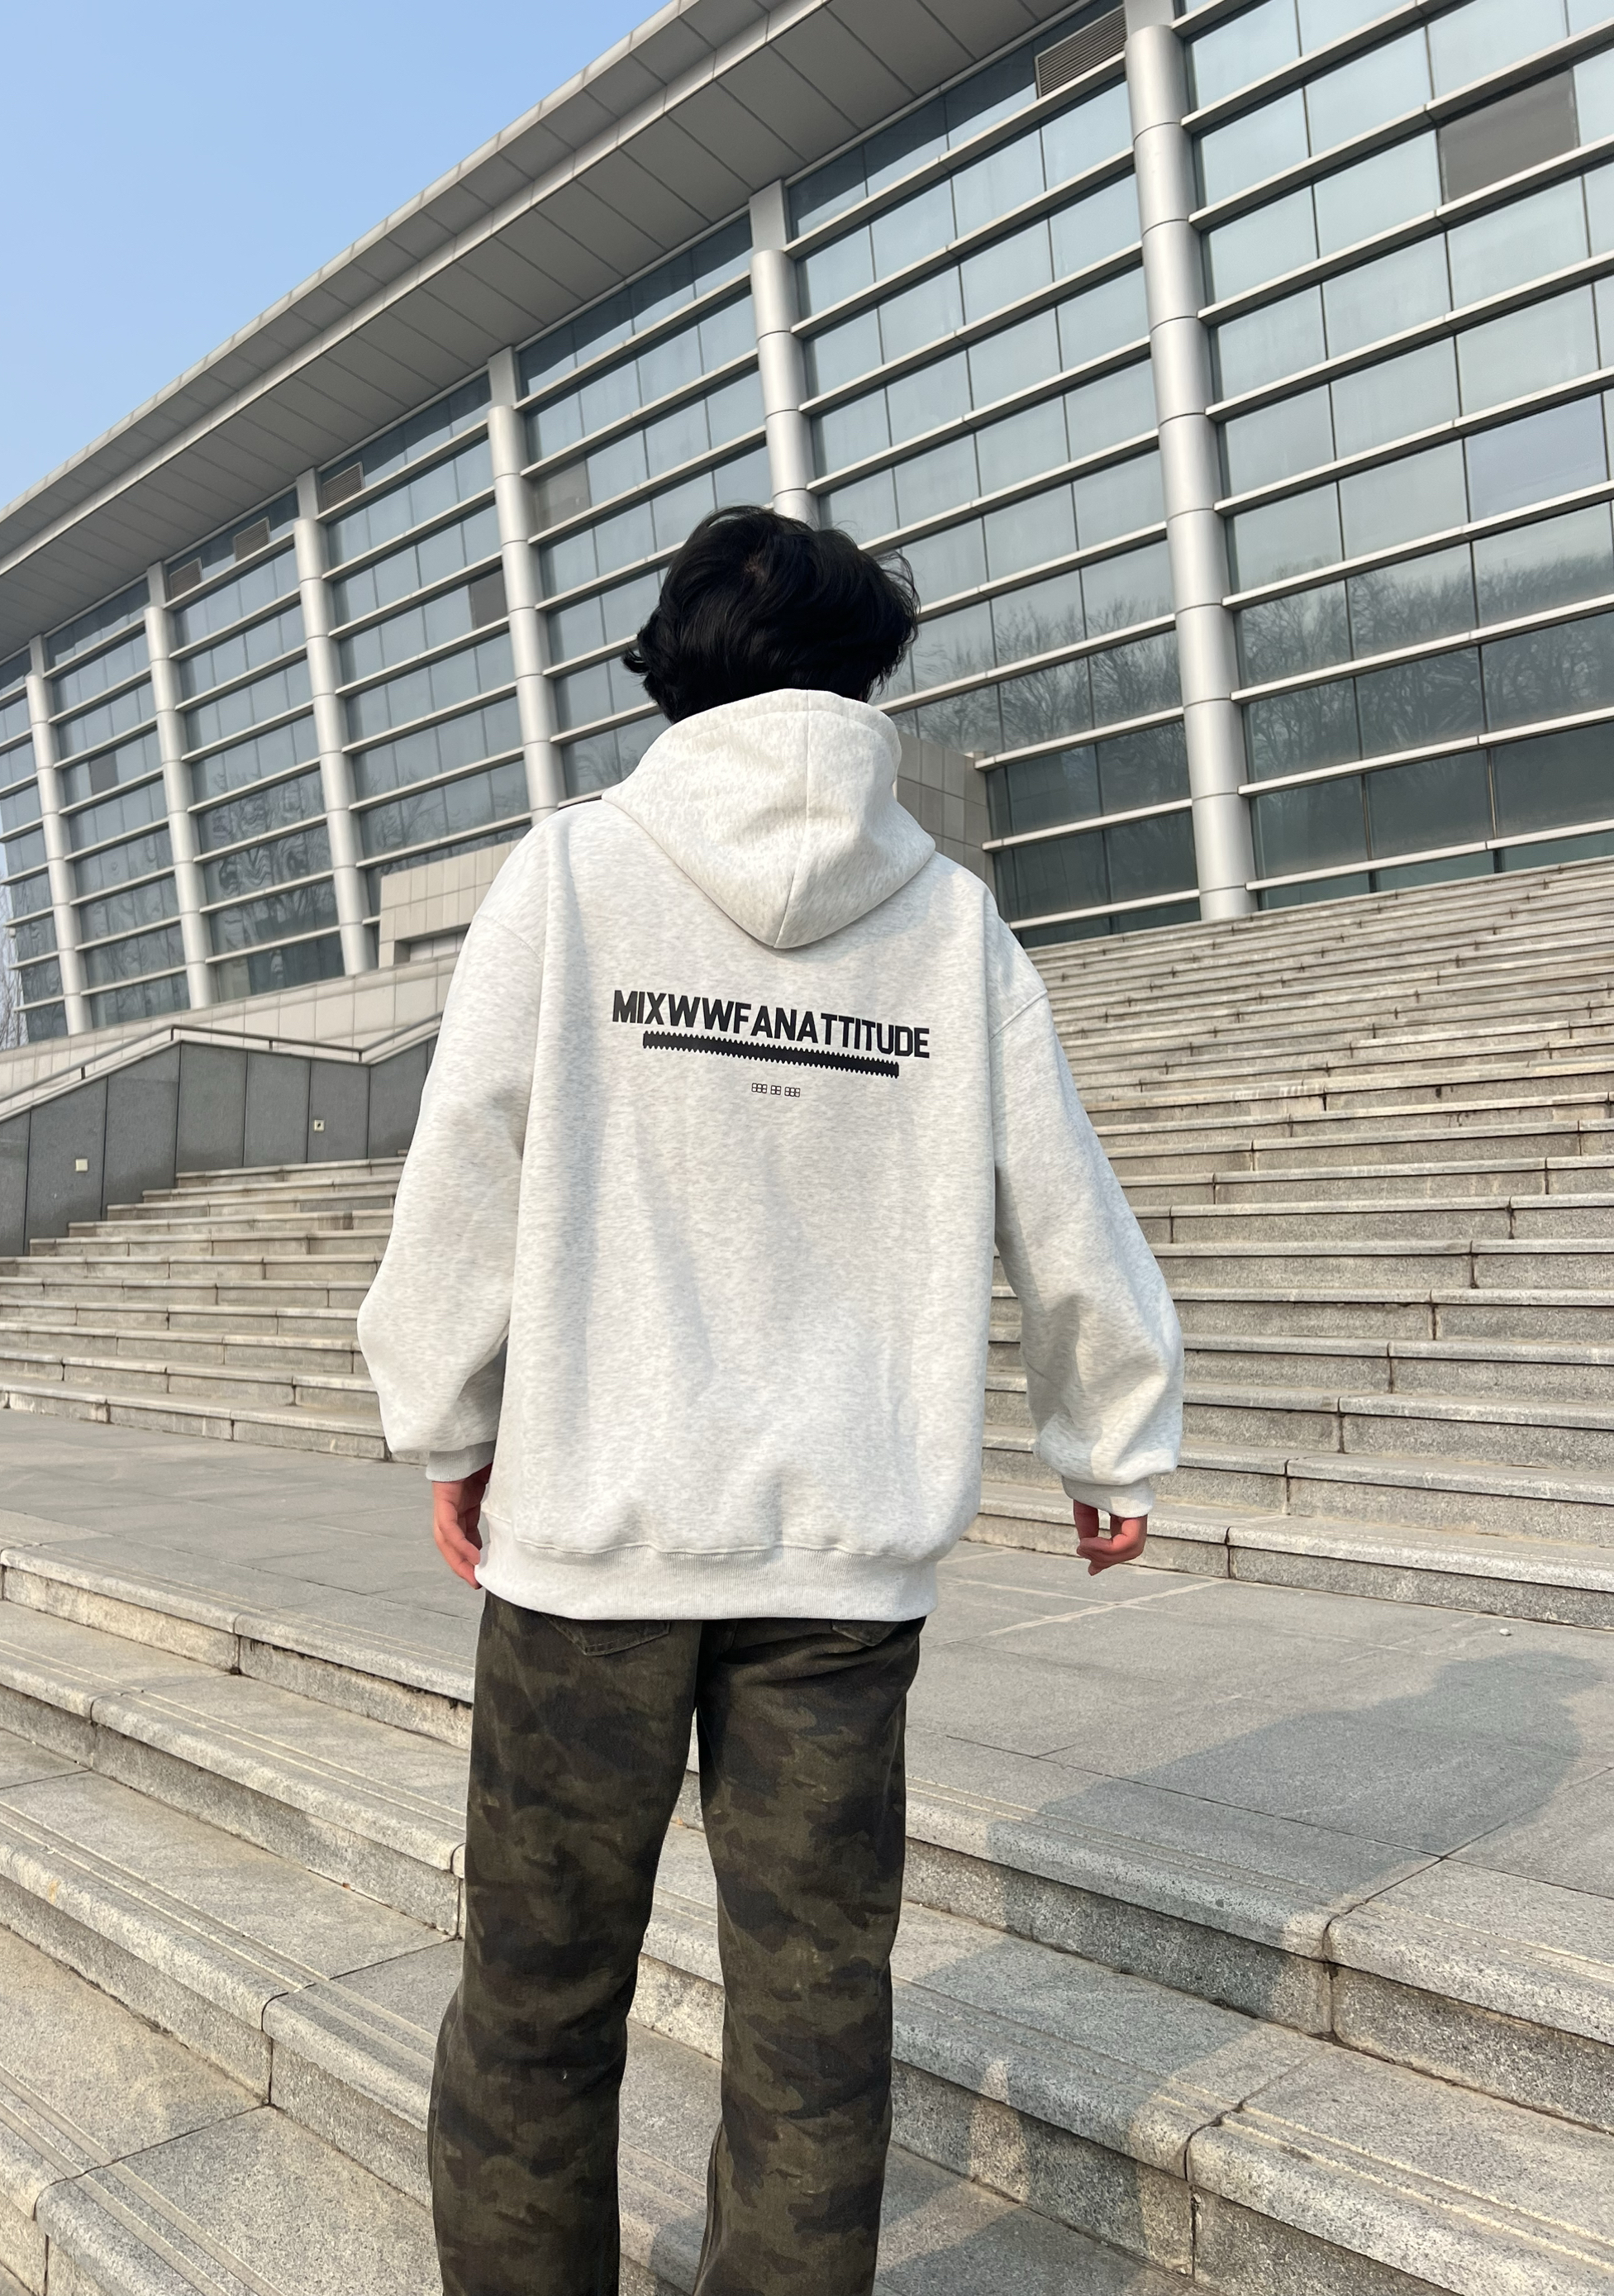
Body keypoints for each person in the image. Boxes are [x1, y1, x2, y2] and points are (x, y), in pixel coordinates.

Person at [356, 505, 1183, 2296]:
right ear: (866, 673)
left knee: (536, 1994)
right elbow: (1060, 1189)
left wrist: (449, 1418)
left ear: (675, 663)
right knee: (814, 2011)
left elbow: (468, 1160)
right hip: (840, 1568)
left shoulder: (576, 874)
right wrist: (1109, 1436)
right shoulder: (948, 921)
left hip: (593, 1545)